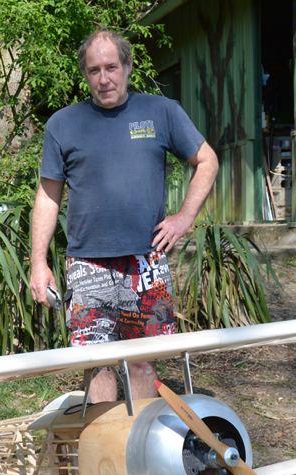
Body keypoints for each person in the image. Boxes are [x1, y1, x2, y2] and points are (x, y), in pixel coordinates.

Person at [29, 29, 219, 402]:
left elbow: (207, 160)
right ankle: (109, 452)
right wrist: (38, 262)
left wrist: (184, 217)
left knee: (143, 363)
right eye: (94, 70)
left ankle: (141, 448)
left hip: (146, 260)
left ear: (128, 66)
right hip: (86, 264)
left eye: (112, 67)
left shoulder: (162, 112)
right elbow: (48, 197)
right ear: (85, 74)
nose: (104, 79)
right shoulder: (63, 124)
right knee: (96, 364)